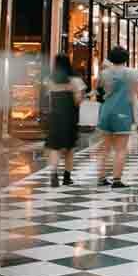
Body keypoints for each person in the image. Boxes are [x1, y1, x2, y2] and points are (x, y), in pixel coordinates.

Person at [96, 46, 138, 188]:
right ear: (126, 59)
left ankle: (101, 178)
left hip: (105, 111)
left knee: (105, 148)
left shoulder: (104, 73)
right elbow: (135, 92)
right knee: (121, 149)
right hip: (123, 112)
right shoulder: (132, 73)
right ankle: (116, 180)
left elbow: (98, 91)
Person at [46, 54, 86, 187]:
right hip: (70, 117)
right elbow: (78, 101)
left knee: (55, 148)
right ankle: (67, 177)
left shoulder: (50, 80)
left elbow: (48, 99)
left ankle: (53, 175)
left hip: (55, 116)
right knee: (69, 149)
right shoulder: (75, 80)